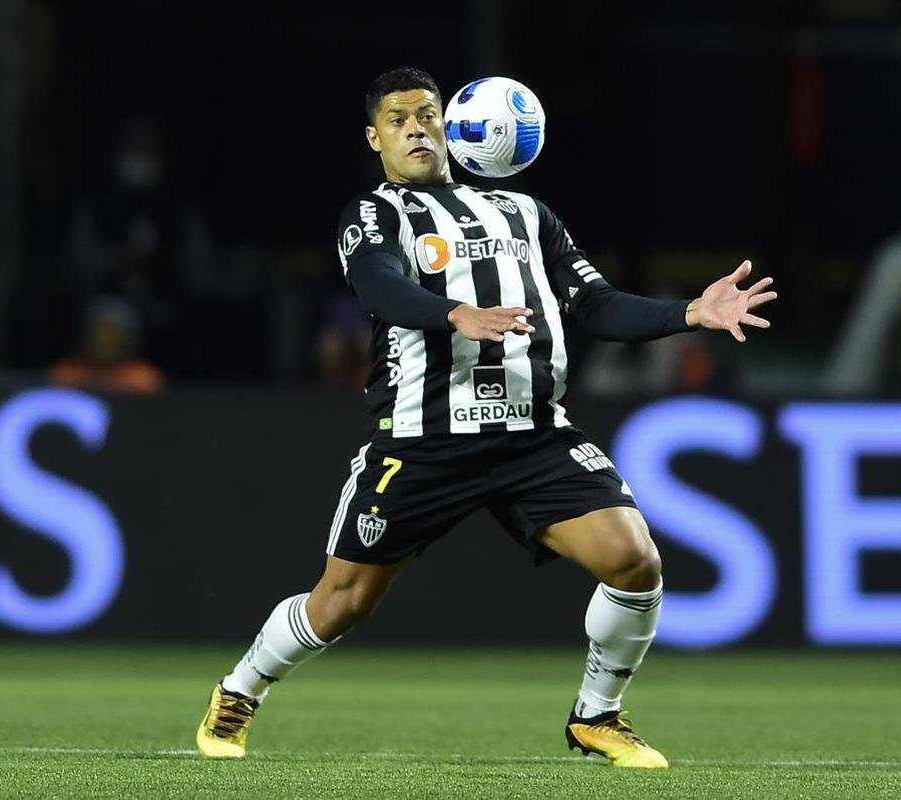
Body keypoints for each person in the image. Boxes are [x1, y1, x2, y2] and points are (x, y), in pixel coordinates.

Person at [195, 67, 777, 769]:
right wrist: (452, 313)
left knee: (634, 561)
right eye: (398, 118)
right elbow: (380, 285)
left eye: (428, 114)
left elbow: (594, 306)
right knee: (341, 602)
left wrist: (688, 313)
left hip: (532, 436)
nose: (415, 126)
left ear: (452, 126)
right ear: (374, 136)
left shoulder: (527, 215)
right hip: (424, 441)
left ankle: (597, 715)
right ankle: (239, 691)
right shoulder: (375, 215)